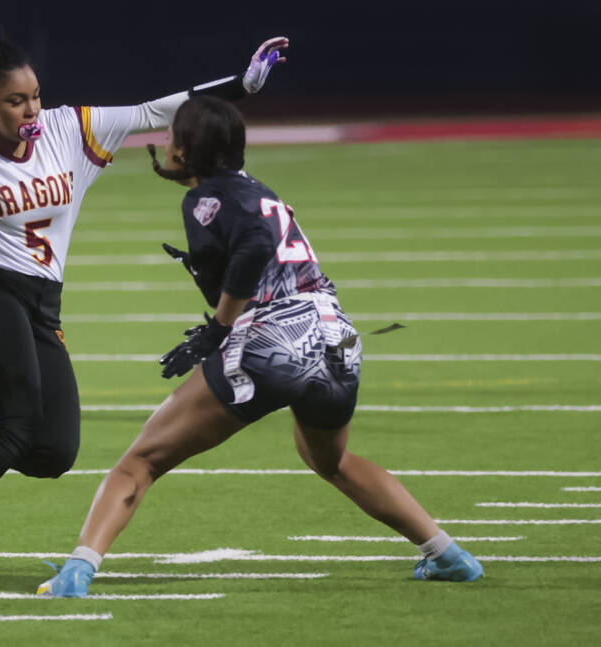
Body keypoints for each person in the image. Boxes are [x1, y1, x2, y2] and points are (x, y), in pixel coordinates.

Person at [0, 16, 288, 573]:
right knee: (17, 427)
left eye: (34, 97)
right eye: (14, 101)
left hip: (42, 301)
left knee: (54, 451)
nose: (31, 110)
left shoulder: (68, 130)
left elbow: (155, 111)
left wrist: (240, 87)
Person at [36, 96, 484, 597]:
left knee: (140, 463)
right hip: (336, 333)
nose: (166, 143)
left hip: (276, 337)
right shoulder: (256, 190)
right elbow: (256, 242)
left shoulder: (205, 200)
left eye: (173, 136)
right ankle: (447, 554)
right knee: (331, 460)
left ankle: (77, 572)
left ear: (187, 149)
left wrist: (218, 328)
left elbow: (251, 246)